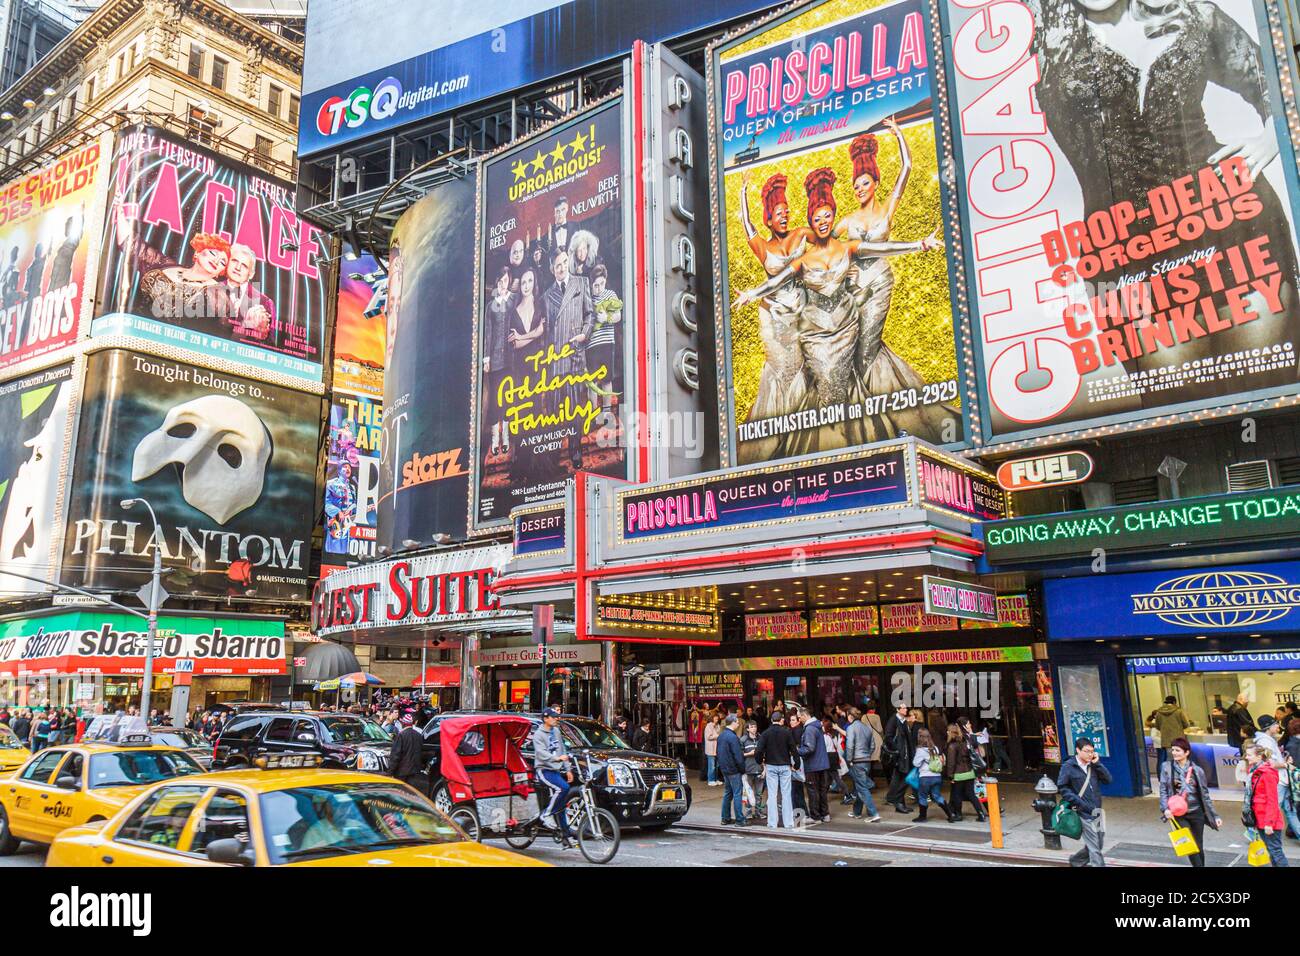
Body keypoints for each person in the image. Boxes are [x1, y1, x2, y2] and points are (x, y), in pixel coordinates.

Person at [1158, 737, 1221, 868]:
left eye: (1178, 750)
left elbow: (1205, 795)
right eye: (1173, 750)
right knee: (1189, 844)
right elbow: (1163, 790)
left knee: (1198, 845)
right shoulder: (1166, 767)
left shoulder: (1197, 770)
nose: (1174, 753)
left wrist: (1215, 815)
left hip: (1196, 812)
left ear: (1186, 752)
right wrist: (1165, 809)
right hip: (1178, 813)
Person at [1057, 737, 1112, 867]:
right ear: (1077, 750)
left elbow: (1108, 780)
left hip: (1097, 811)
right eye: (1087, 751)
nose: (1090, 754)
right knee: (1094, 847)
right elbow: (1062, 787)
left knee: (1098, 843)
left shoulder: (1093, 765)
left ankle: (1076, 861)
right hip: (1083, 812)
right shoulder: (1069, 766)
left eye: (1092, 751)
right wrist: (1078, 802)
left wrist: (1098, 764)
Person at [531, 708, 575, 849]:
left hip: (556, 770)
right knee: (563, 788)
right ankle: (546, 815)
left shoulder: (556, 731)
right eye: (554, 717)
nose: (556, 719)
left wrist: (568, 769)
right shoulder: (538, 734)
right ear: (545, 718)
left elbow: (563, 750)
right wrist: (556, 758)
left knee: (561, 805)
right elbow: (541, 753)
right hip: (544, 770)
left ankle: (566, 837)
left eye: (557, 717)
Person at [1253, 716, 1300, 840]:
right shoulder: (1265, 742)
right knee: (1275, 809)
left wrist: (1283, 760)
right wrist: (1285, 764)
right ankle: (1256, 836)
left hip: (1281, 780)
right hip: (1276, 781)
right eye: (1276, 724)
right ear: (1269, 727)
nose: (1278, 727)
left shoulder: (1269, 740)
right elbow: (1271, 764)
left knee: (1289, 810)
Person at [1244, 744, 1289, 866]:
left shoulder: (1267, 773)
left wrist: (1269, 823)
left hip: (1269, 820)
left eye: (1249, 755)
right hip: (1260, 818)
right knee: (1272, 851)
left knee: (1276, 852)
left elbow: (1272, 800)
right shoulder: (1255, 771)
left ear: (1259, 756)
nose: (1246, 757)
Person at [757, 708, 801, 828]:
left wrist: (760, 761)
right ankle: (788, 823)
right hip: (785, 766)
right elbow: (793, 750)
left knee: (772, 795)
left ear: (771, 720)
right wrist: (796, 764)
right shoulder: (786, 732)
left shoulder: (765, 733)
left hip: (771, 765)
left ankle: (772, 823)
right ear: (781, 720)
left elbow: (759, 750)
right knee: (786, 794)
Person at [845, 707, 881, 822]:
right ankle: (857, 811)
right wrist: (867, 755)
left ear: (850, 716)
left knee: (862, 787)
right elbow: (872, 746)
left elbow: (850, 745)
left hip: (856, 761)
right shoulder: (867, 728)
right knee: (859, 785)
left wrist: (849, 759)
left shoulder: (851, 728)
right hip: (866, 761)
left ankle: (873, 813)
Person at [912, 727, 955, 823]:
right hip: (937, 777)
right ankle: (950, 815)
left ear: (919, 737)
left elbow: (916, 764)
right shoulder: (935, 748)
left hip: (925, 778)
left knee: (922, 796)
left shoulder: (920, 750)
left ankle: (922, 817)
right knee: (937, 796)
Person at [797, 706, 831, 822]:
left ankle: (815, 816)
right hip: (822, 764)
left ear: (804, 715)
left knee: (813, 791)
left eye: (800, 717)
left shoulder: (809, 729)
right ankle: (825, 814)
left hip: (813, 765)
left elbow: (809, 748)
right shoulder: (817, 726)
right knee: (822, 790)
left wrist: (796, 751)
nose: (799, 719)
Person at [944, 723, 981, 821]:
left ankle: (958, 815)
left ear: (951, 733)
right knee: (971, 794)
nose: (947, 732)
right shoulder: (966, 742)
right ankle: (981, 814)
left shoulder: (952, 746)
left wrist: (950, 776)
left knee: (957, 795)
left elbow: (951, 763)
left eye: (948, 731)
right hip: (970, 772)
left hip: (959, 774)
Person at [883, 703, 915, 812]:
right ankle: (897, 801)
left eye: (906, 707)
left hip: (906, 756)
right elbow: (888, 737)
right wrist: (897, 750)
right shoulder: (893, 720)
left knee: (900, 778)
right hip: (900, 756)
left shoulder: (903, 720)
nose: (906, 709)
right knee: (904, 778)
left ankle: (899, 803)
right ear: (897, 709)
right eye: (904, 708)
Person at [1146, 695, 1191, 770]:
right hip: (1178, 739)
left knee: (1167, 761)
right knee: (1180, 760)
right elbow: (1186, 724)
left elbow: (1157, 726)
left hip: (1165, 741)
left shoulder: (1159, 712)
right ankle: (1179, 778)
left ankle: (1166, 778)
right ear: (1174, 702)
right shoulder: (1178, 711)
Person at [718, 714, 747, 827]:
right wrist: (742, 769)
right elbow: (738, 756)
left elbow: (718, 753)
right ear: (733, 722)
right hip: (734, 770)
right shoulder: (733, 737)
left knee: (727, 793)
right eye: (737, 722)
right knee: (737, 794)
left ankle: (725, 818)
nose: (739, 723)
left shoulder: (721, 736)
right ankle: (739, 819)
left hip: (725, 769)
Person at [388, 712, 426, 794]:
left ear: (403, 724)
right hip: (415, 771)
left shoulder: (401, 736)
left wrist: (390, 772)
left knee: (401, 794)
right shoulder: (418, 736)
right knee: (411, 794)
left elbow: (395, 755)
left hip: (401, 772)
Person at [741, 720, 764, 819]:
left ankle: (759, 812)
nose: (754, 728)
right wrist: (749, 754)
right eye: (751, 727)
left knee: (759, 794)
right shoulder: (743, 740)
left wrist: (765, 769)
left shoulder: (761, 739)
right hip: (748, 769)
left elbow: (765, 754)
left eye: (755, 726)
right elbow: (739, 755)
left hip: (759, 769)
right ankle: (748, 812)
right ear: (747, 729)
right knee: (747, 793)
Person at [703, 712, 721, 786]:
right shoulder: (708, 726)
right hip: (710, 749)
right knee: (712, 766)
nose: (717, 719)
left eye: (717, 718)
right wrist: (717, 736)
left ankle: (716, 779)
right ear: (712, 718)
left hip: (717, 748)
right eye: (715, 717)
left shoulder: (717, 726)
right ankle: (710, 780)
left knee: (717, 766)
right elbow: (708, 737)